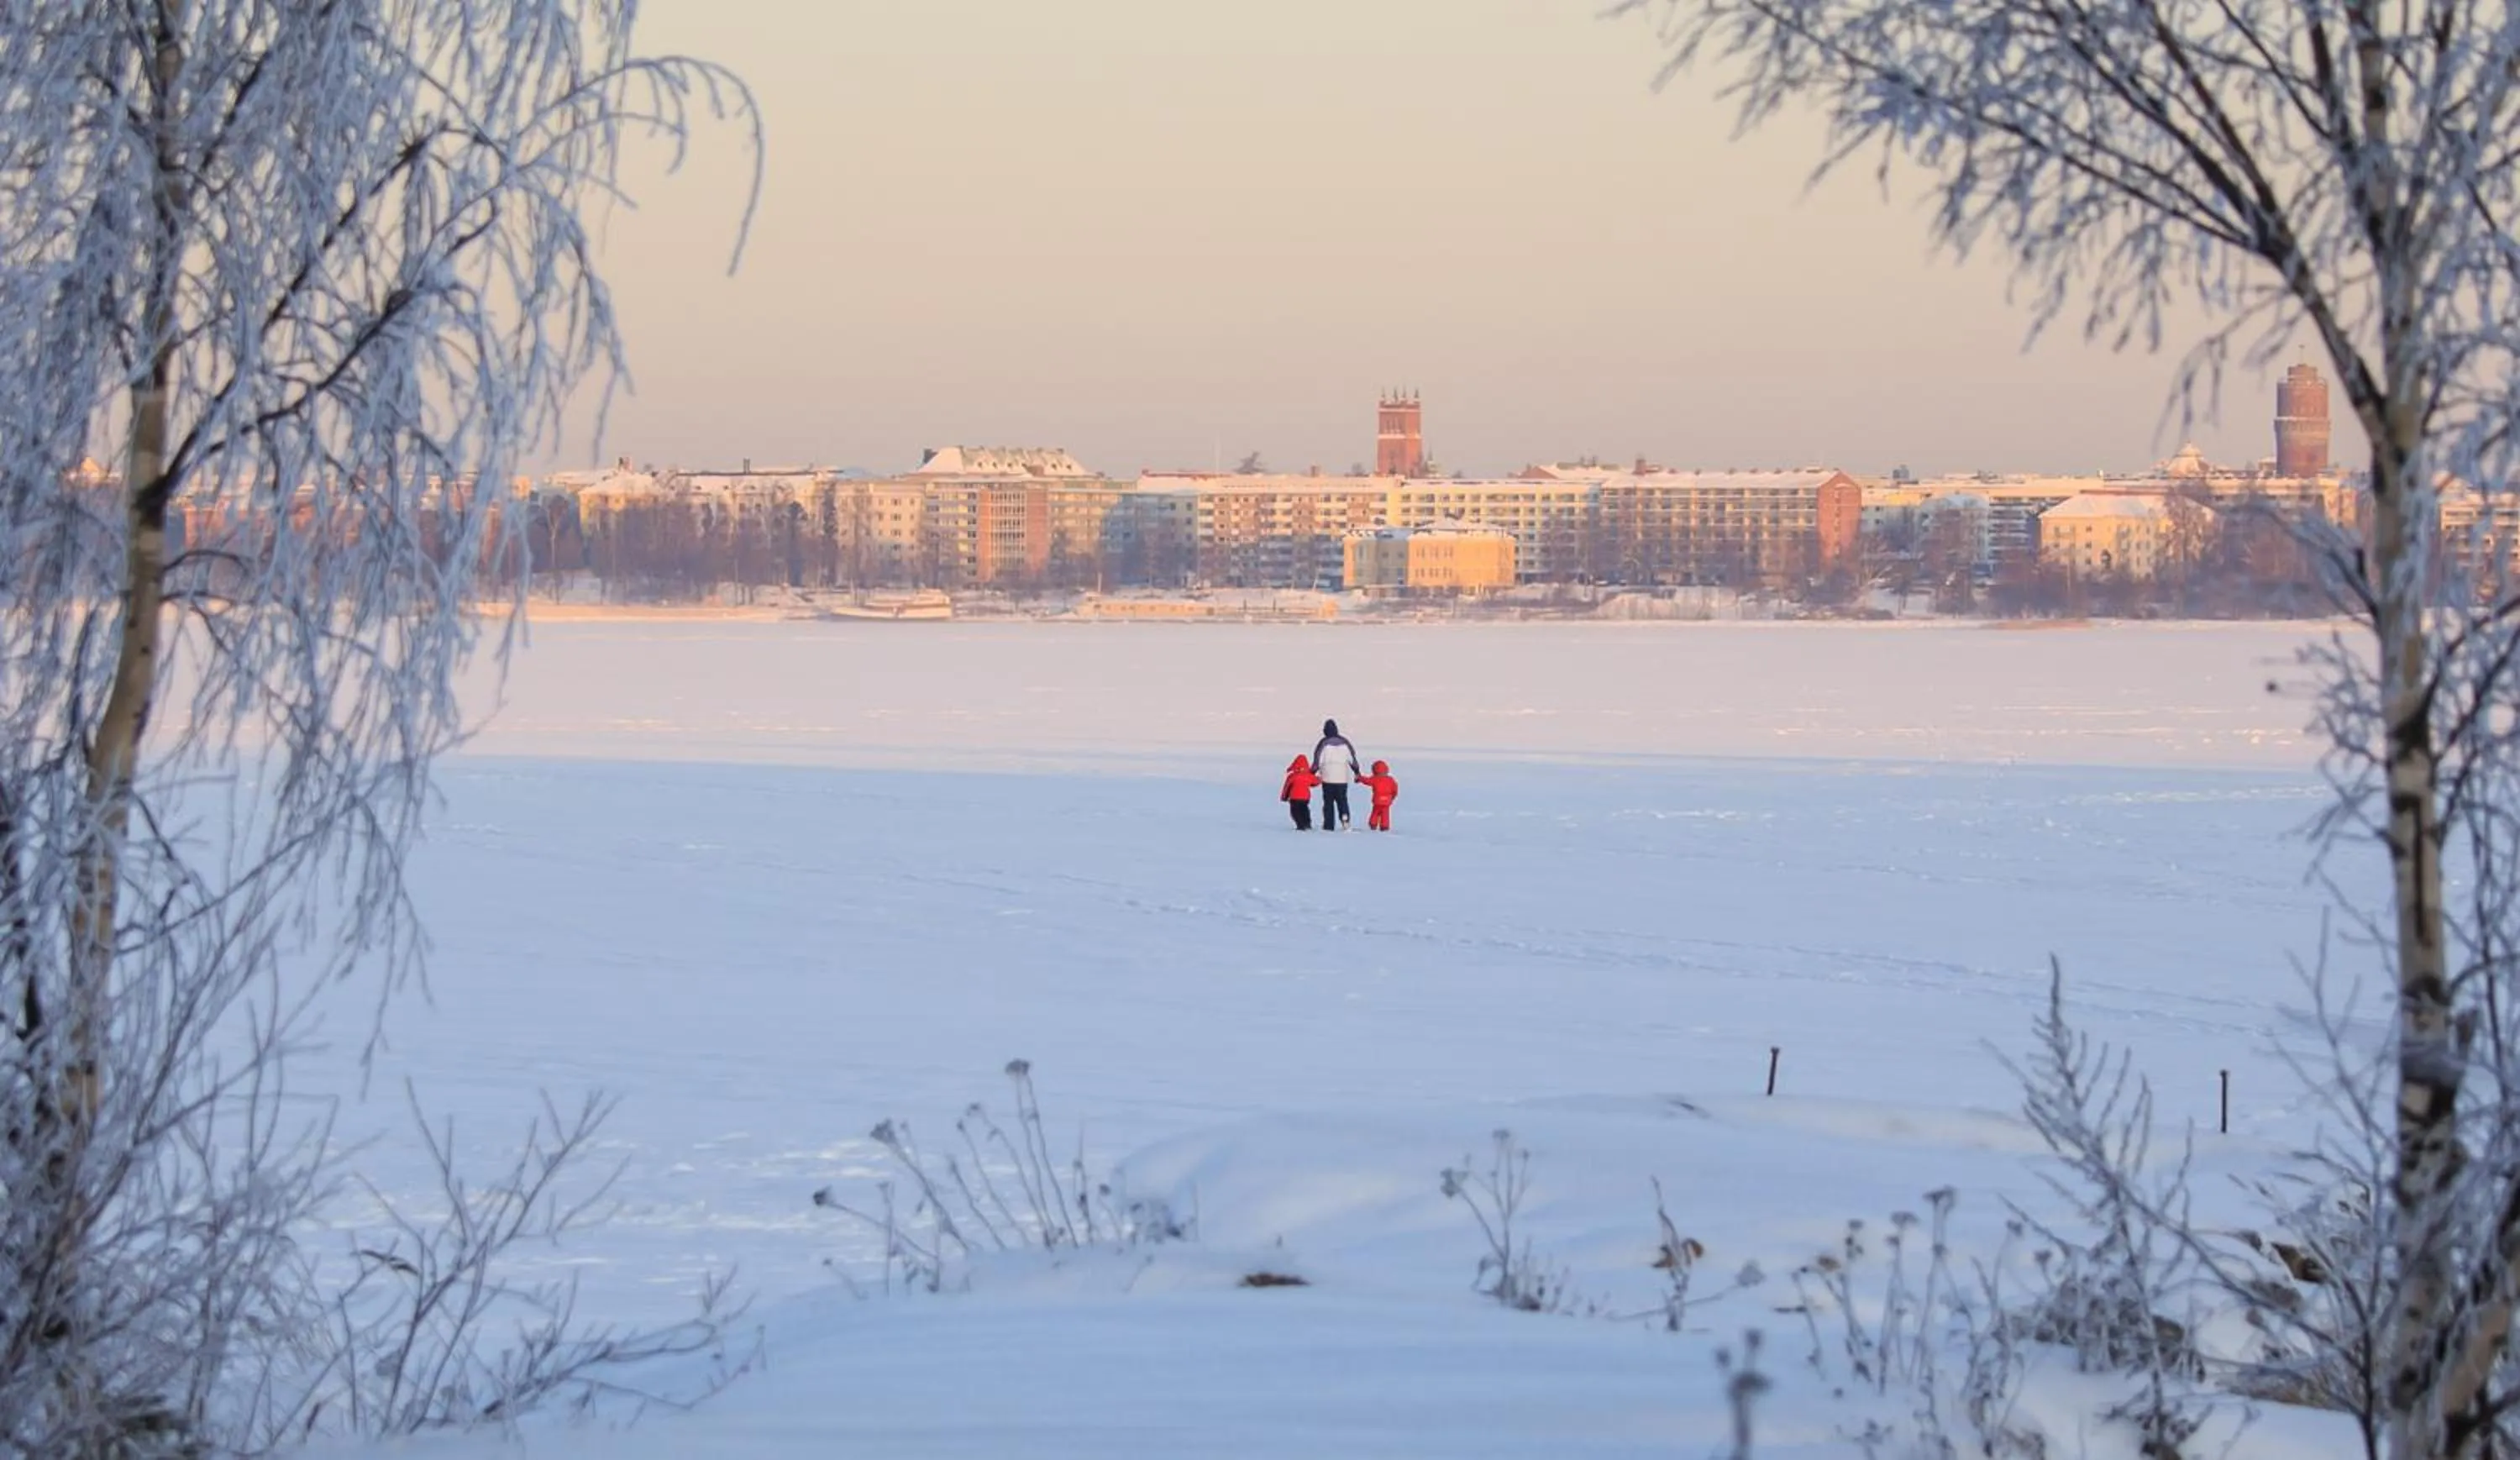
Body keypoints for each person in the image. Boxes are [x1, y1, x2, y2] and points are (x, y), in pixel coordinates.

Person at [1311, 718, 1361, 830]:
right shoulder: (1345, 742)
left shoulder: (1323, 743)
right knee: (1342, 800)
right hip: (1342, 779)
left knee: (1328, 803)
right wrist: (1357, 772)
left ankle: (1329, 825)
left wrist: (1311, 773)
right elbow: (1353, 760)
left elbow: (1317, 761)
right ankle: (1345, 819)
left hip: (1327, 778)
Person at [1357, 759, 1399, 832]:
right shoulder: (1390, 779)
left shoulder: (1375, 779)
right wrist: (1392, 797)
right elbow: (1395, 789)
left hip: (1377, 800)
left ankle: (1373, 823)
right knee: (1385, 814)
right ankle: (1385, 826)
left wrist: (1360, 778)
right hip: (1387, 800)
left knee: (1375, 812)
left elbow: (1367, 781)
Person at [1279, 754, 1318, 831]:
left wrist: (1284, 797)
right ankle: (1307, 823)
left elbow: (1286, 787)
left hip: (1295, 798)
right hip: (1305, 798)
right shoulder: (1308, 776)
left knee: (1295, 812)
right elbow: (1316, 781)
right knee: (1304, 810)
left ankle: (1300, 825)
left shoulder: (1292, 776)